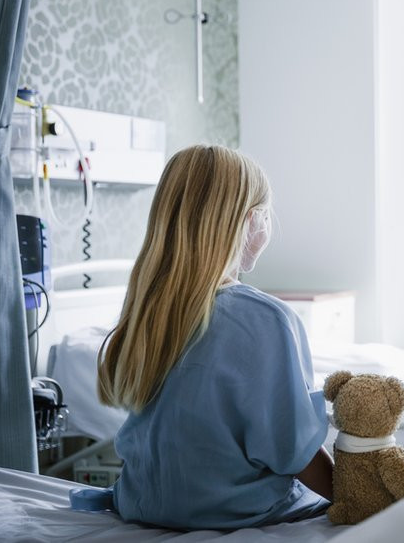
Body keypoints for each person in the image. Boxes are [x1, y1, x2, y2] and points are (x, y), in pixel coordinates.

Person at [96, 145, 333, 529]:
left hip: (142, 505)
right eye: (266, 215)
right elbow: (295, 451)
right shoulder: (266, 318)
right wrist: (359, 501)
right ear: (252, 220)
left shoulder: (147, 310)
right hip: (241, 512)